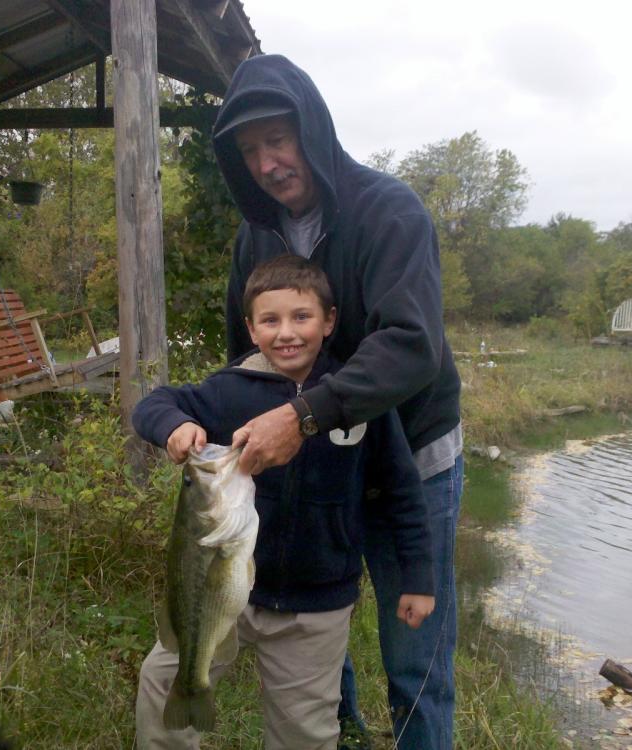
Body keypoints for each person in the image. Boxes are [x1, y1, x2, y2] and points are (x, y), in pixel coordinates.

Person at [211, 55, 464, 750]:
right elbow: (246, 356)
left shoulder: (389, 211)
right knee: (317, 632)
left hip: (414, 457)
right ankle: (340, 736)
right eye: (250, 149)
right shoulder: (254, 237)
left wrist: (301, 415)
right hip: (319, 467)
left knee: (416, 659)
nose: (267, 163)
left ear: (312, 130)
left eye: (278, 139)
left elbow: (412, 344)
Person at [133, 256, 435, 750]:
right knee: (163, 679)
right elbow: (152, 404)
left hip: (315, 609)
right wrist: (174, 428)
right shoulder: (228, 391)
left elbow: (402, 492)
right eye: (270, 321)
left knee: (306, 732)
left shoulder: (357, 397)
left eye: (302, 317)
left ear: (330, 321)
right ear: (251, 329)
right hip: (228, 597)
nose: (287, 333)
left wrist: (418, 579)